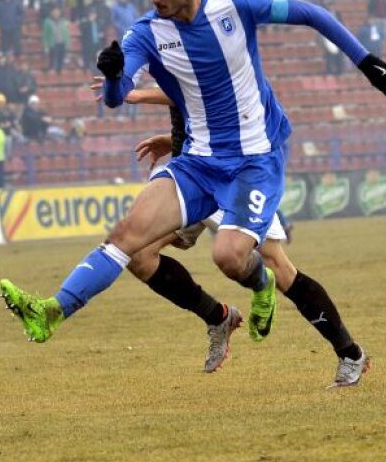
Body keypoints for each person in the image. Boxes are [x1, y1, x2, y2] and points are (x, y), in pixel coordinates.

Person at [0, 0, 386, 386]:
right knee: (128, 240)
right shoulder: (146, 34)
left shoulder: (236, 6)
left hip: (255, 159)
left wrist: (365, 61)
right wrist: (113, 75)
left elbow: (310, 13)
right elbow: (116, 98)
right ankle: (53, 311)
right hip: (198, 162)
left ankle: (345, 350)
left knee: (233, 257)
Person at [120, 87, 370, 385]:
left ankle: (350, 353)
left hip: (235, 174)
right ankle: (218, 317)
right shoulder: (172, 61)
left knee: (279, 267)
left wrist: (135, 93)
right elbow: (194, 107)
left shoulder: (209, 63)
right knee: (138, 253)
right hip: (192, 174)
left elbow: (196, 90)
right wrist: (175, 139)